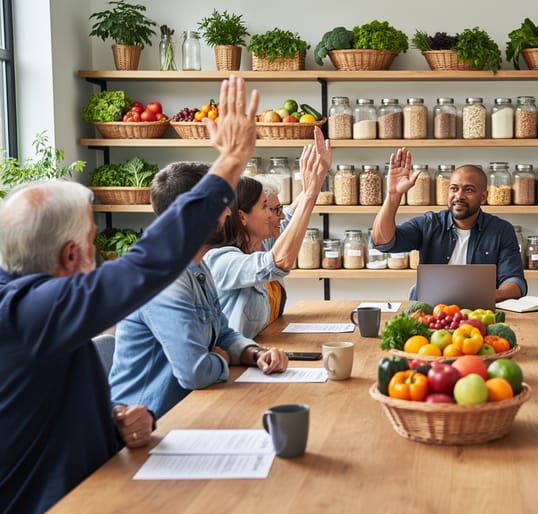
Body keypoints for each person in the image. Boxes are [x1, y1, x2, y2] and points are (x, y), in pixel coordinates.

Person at [0, 75, 258, 514]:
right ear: (69, 254)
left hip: (98, 487)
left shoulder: (39, 311)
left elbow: (42, 410)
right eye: (91, 240)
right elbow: (148, 263)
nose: (99, 252)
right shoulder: (29, 311)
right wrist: (230, 161)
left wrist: (113, 422)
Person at [109, 160, 290, 419]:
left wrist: (255, 354)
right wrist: (221, 359)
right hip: (150, 425)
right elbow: (195, 372)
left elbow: (224, 334)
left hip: (194, 406)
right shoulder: (163, 279)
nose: (229, 213)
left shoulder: (197, 265)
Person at [204, 128, 331, 338]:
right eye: (269, 209)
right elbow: (279, 262)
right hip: (238, 363)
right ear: (242, 216)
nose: (280, 216)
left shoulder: (260, 243)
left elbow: (291, 215)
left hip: (268, 354)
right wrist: (309, 194)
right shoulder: (221, 261)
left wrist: (317, 180)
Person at [371, 148, 526, 302]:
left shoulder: (501, 230)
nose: (459, 196)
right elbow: (382, 242)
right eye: (454, 188)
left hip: (478, 314)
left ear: (483, 197)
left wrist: (478, 298)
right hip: (430, 313)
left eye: (469, 190)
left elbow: (515, 283)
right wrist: (393, 195)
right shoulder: (430, 223)